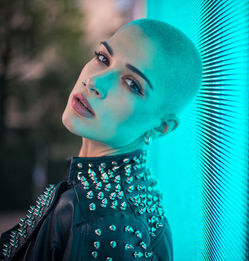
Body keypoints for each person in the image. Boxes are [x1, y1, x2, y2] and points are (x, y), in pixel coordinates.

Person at [0, 18, 202, 261]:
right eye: (103, 58)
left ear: (161, 127)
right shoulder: (130, 190)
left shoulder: (103, 222)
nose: (95, 82)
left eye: (131, 84)